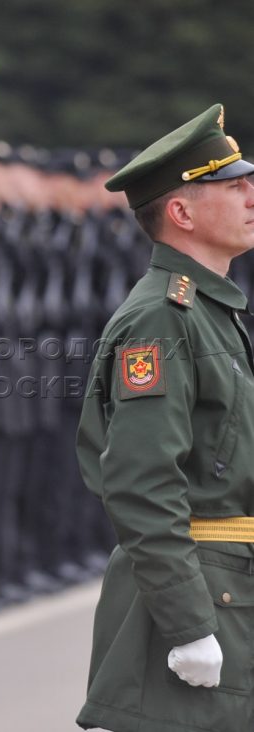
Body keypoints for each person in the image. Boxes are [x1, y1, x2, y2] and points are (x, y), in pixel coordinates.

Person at [76, 103, 254, 732]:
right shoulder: (164, 317)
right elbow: (141, 482)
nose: (251, 196)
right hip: (203, 600)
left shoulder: (210, 310)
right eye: (232, 186)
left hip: (231, 589)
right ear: (181, 212)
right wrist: (188, 624)